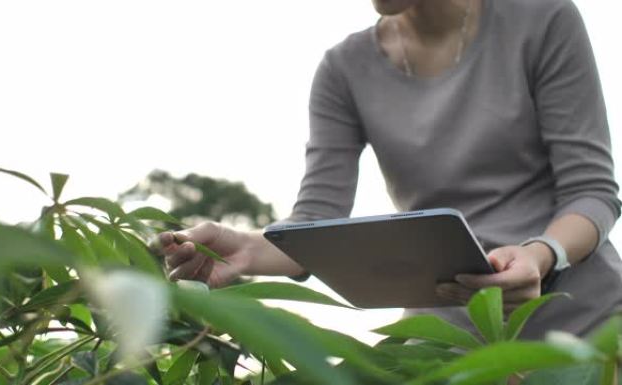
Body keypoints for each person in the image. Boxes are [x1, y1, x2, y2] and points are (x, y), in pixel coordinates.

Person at [154, 0, 622, 339]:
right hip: (445, 341)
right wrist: (248, 250)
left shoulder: (543, 19)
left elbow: (592, 191)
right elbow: (315, 222)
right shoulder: (344, 69)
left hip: (585, 327)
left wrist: (540, 255)